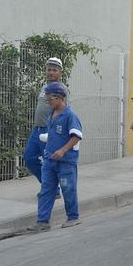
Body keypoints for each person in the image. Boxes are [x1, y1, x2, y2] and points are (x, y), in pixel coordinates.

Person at [26, 82, 82, 232]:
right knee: (46, 189)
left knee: (68, 189)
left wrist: (63, 150)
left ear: (59, 98)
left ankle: (73, 217)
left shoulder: (70, 116)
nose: (48, 102)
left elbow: (76, 136)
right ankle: (42, 221)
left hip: (66, 161)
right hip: (50, 160)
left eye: (50, 99)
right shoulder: (51, 116)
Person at [24, 57, 66, 183]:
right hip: (37, 129)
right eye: (49, 70)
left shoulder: (61, 90)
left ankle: (53, 189)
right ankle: (48, 185)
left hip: (49, 131)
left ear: (60, 73)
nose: (51, 72)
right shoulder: (44, 88)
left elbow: (64, 112)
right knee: (29, 157)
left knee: (50, 161)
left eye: (54, 70)